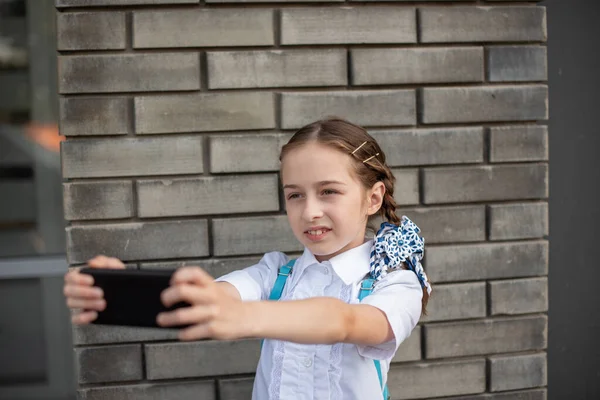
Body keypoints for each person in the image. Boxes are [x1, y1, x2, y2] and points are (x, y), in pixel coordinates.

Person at [63, 117, 432, 400]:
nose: (310, 212)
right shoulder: (274, 274)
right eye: (295, 195)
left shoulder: (397, 283)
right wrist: (125, 292)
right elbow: (215, 297)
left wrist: (246, 318)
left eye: (328, 191)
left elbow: (345, 321)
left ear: (373, 198)